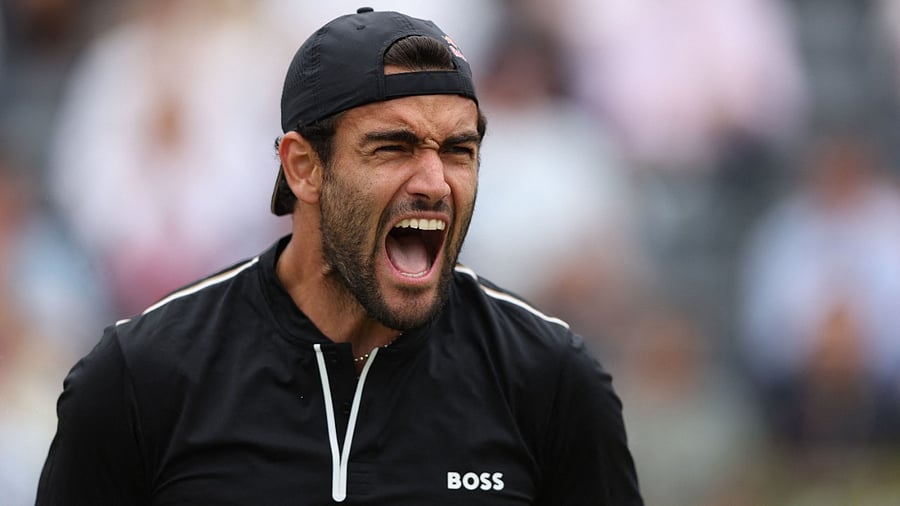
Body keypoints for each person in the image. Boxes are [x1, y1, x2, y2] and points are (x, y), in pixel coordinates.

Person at [35, 8, 643, 505]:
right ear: (303, 167)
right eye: (393, 147)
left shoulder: (552, 381)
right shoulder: (140, 378)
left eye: (459, 151)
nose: (435, 182)